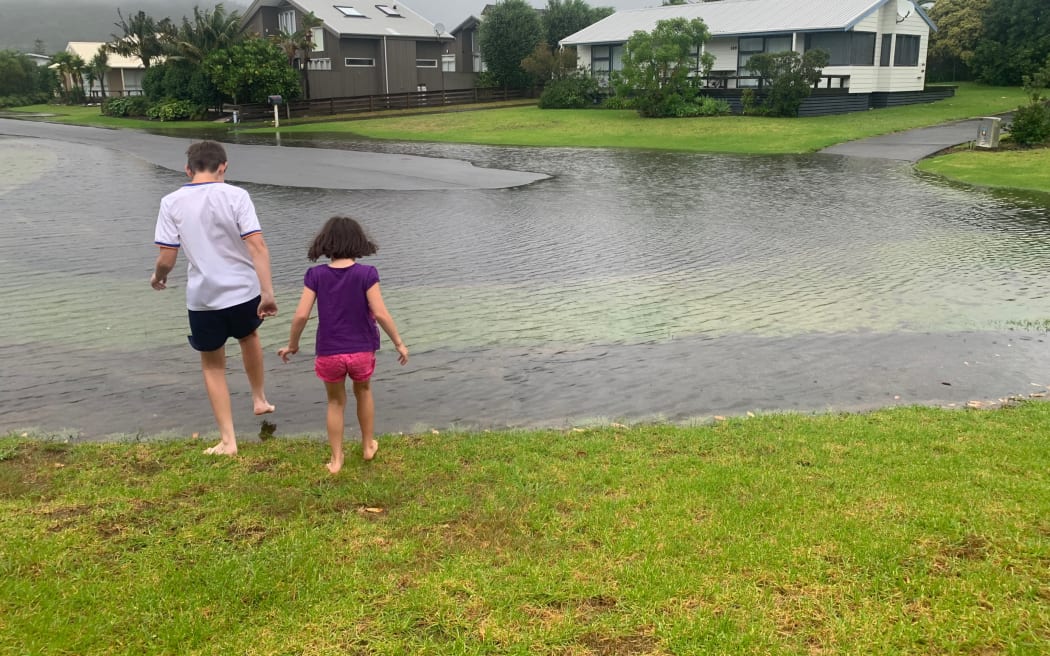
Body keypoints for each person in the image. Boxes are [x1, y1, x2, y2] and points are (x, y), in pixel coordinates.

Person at [150, 140, 277, 456]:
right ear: (223, 167)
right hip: (245, 291)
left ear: (188, 169)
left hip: (204, 297)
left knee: (212, 365)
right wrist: (268, 292)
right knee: (249, 337)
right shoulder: (237, 196)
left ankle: (228, 440)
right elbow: (257, 246)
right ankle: (259, 398)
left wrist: (159, 278)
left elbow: (167, 258)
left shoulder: (171, 202)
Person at [278, 216, 408, 474]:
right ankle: (368, 446)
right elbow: (380, 313)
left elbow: (301, 315)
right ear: (358, 242)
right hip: (361, 350)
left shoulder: (315, 275)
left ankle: (336, 459)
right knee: (364, 392)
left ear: (325, 243)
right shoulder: (367, 274)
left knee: (335, 402)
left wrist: (292, 344)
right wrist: (399, 343)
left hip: (329, 351)